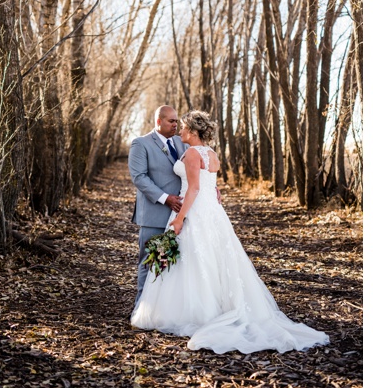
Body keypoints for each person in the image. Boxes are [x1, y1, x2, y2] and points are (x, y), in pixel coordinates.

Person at [130, 110, 330, 353]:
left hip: (192, 210)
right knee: (210, 259)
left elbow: (193, 189)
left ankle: (192, 312)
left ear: (193, 131)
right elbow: (204, 183)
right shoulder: (211, 154)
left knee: (193, 260)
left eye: (182, 127)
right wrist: (210, 191)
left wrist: (181, 218)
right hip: (210, 212)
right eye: (175, 124)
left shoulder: (192, 153)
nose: (179, 130)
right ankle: (213, 306)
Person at [127, 105, 187, 308]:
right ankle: (141, 309)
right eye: (171, 121)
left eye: (177, 121)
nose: (175, 125)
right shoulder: (141, 144)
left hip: (178, 216)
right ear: (159, 121)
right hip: (154, 214)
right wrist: (164, 198)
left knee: (171, 264)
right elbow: (139, 177)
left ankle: (164, 310)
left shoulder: (180, 142)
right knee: (149, 262)